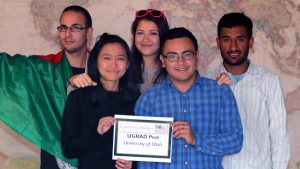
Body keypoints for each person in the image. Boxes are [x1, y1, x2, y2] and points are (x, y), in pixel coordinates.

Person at [134, 27, 243, 169]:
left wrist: (196, 139)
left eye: (187, 55)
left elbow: (235, 141)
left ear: (197, 55)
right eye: (172, 56)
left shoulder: (220, 93)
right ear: (162, 60)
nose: (181, 62)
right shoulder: (148, 100)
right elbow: (144, 160)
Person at [0, 5, 93, 169]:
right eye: (63, 27)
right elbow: (6, 68)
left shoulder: (104, 71)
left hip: (93, 161)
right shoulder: (43, 69)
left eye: (75, 27)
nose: (68, 34)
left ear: (89, 32)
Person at [204, 12, 290, 169]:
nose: (233, 47)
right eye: (226, 39)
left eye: (240, 39)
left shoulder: (269, 81)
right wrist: (214, 92)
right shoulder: (207, 81)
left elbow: (279, 134)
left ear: (250, 42)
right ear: (217, 42)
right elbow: (201, 132)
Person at [61, 33, 139, 169]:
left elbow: (146, 148)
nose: (114, 64)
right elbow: (69, 149)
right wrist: (96, 132)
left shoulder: (138, 100)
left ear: (127, 64)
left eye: (120, 59)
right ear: (96, 62)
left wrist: (133, 164)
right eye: (107, 58)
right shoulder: (79, 97)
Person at [70, 9, 170, 93]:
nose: (145, 39)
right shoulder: (121, 67)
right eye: (140, 33)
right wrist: (72, 82)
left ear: (163, 36)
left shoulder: (173, 70)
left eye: (153, 33)